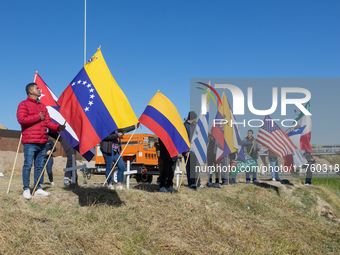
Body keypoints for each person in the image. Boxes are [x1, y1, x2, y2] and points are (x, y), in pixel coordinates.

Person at [17, 82, 65, 199]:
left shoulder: (43, 106)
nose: (40, 90)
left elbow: (48, 122)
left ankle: (38, 188)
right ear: (30, 91)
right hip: (30, 141)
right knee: (28, 165)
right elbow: (22, 119)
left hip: (42, 141)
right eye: (37, 88)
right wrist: (38, 117)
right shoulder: (23, 104)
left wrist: (58, 127)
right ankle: (26, 189)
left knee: (39, 166)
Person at [101, 123, 139, 190]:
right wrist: (116, 135)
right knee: (109, 167)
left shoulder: (116, 126)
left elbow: (124, 129)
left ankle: (119, 185)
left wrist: (134, 127)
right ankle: (109, 184)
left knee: (122, 167)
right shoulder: (104, 125)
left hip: (116, 150)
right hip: (108, 150)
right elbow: (105, 136)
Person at [183, 111, 204, 189]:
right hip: (188, 151)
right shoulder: (184, 126)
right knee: (190, 167)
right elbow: (183, 140)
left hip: (196, 151)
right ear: (193, 118)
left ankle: (198, 182)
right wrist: (185, 151)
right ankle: (191, 183)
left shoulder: (195, 126)